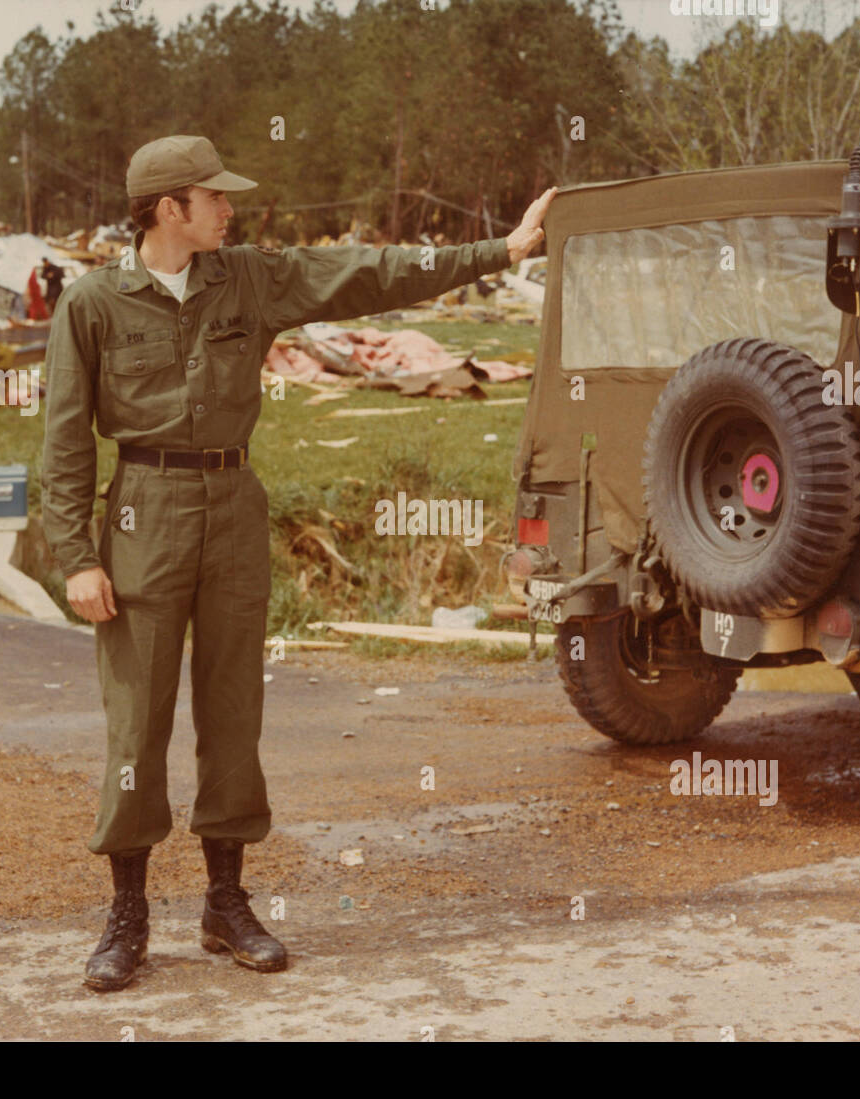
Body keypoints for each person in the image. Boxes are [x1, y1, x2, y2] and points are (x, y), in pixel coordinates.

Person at [41, 134, 554, 992]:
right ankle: (127, 915)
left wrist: (500, 250)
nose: (231, 208)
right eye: (216, 197)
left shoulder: (247, 278)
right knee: (137, 723)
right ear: (171, 209)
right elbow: (60, 439)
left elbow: (367, 272)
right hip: (140, 513)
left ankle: (224, 903)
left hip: (233, 508)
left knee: (234, 712)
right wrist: (74, 557)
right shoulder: (93, 303)